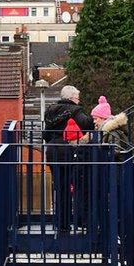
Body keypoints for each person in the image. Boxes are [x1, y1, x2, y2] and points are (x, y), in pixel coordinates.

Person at [43, 85, 94, 233]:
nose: (79, 100)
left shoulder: (50, 111)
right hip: (68, 151)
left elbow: (46, 135)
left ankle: (61, 223)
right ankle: (80, 220)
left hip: (52, 152)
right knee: (77, 186)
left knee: (60, 188)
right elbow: (87, 124)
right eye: (78, 97)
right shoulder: (74, 111)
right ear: (72, 98)